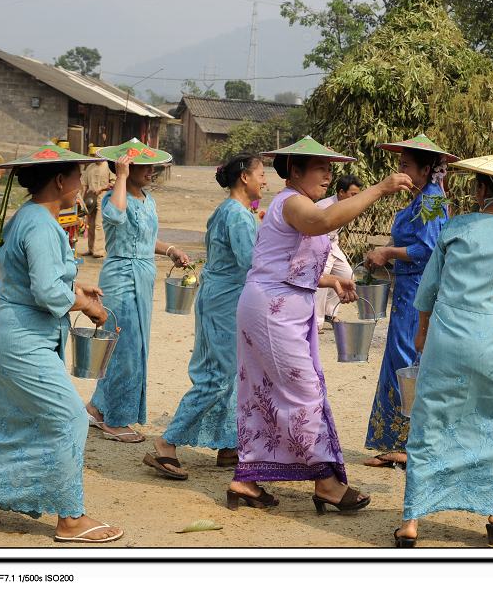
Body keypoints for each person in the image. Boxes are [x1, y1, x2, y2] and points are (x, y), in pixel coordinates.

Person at [0, 144, 124, 543]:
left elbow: (36, 278)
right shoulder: (39, 222)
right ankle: (71, 518)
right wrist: (87, 305)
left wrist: (74, 286)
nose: (80, 183)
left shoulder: (30, 218)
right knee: (69, 416)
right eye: (77, 176)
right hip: (22, 341)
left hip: (10, 333)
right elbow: (48, 292)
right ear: (61, 180)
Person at [227, 136, 413, 513]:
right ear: (295, 170)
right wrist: (380, 188)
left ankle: (246, 479)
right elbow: (323, 221)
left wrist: (330, 280)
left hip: (282, 306)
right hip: (271, 310)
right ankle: (326, 483)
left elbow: (289, 261)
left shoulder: (299, 204)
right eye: (320, 168)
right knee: (304, 392)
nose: (328, 175)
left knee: (268, 393)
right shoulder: (293, 203)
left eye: (331, 168)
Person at [394, 152, 493, 548]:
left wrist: (422, 333)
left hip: (444, 334)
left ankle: (411, 521)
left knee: (429, 418)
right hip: (485, 337)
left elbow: (428, 289)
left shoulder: (455, 228)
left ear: (480, 191)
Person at [143, 154, 267, 479]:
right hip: (224, 303)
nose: (265, 181)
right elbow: (251, 262)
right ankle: (166, 444)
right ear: (244, 178)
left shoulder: (230, 211)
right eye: (261, 174)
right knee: (218, 376)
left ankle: (230, 443)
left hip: (221, 299)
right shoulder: (238, 216)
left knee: (232, 372)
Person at [85, 139, 191, 444]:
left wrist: (170, 249)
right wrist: (119, 177)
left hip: (143, 277)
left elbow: (147, 238)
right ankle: (116, 420)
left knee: (133, 346)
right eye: (144, 166)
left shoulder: (148, 199)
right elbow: (116, 217)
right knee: (125, 347)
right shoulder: (112, 198)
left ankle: (97, 408)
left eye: (152, 166)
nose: (151, 171)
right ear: (127, 167)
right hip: (120, 276)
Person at [362, 134, 457, 469]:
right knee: (401, 355)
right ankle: (397, 439)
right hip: (407, 290)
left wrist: (387, 252)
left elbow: (428, 250)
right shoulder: (421, 198)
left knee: (407, 358)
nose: (399, 170)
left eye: (405, 165)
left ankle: (406, 442)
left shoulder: (431, 200)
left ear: (426, 168)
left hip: (418, 291)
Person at [314, 174, 364, 327]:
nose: (355, 198)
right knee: (323, 281)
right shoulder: (324, 206)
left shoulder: (347, 205)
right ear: (341, 192)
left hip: (332, 245)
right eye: (353, 194)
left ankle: (330, 312)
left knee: (347, 275)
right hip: (320, 244)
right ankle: (317, 321)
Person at [80, 146, 113, 258]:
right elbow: (84, 184)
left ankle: (99, 250)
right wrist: (81, 199)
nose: (96, 158)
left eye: (98, 156)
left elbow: (113, 183)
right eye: (94, 156)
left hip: (103, 198)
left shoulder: (108, 166)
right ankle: (91, 248)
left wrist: (102, 189)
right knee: (90, 225)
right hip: (90, 199)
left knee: (99, 224)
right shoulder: (89, 167)